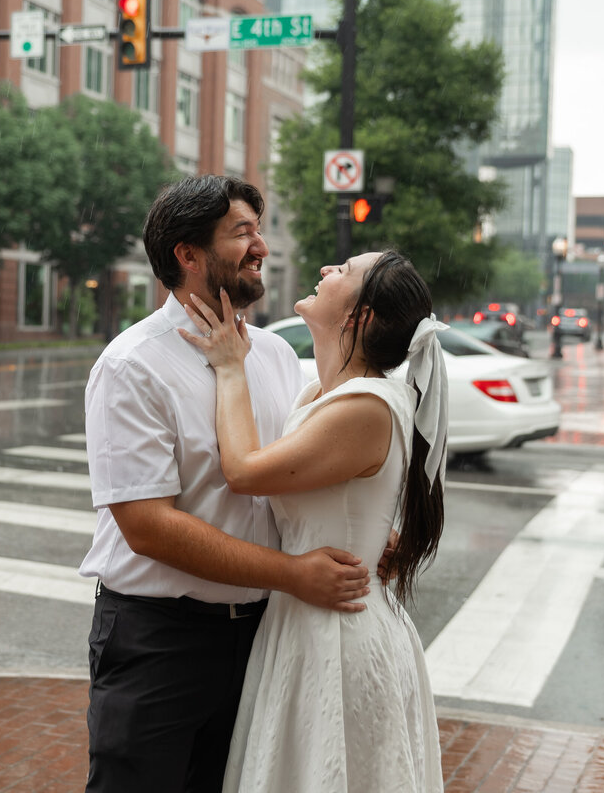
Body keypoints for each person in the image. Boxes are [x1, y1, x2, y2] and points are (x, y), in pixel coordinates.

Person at [79, 175, 373, 793]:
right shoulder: (132, 365)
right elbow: (147, 526)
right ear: (188, 254)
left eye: (258, 230)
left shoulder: (273, 355)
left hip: (263, 635)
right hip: (160, 642)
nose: (261, 246)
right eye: (242, 233)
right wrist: (293, 573)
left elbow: (295, 479)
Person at [180, 249, 447, 793]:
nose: (326, 270)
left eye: (344, 271)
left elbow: (244, 471)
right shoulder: (321, 394)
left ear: (359, 317)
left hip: (339, 632)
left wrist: (229, 366)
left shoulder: (366, 406)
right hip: (304, 619)